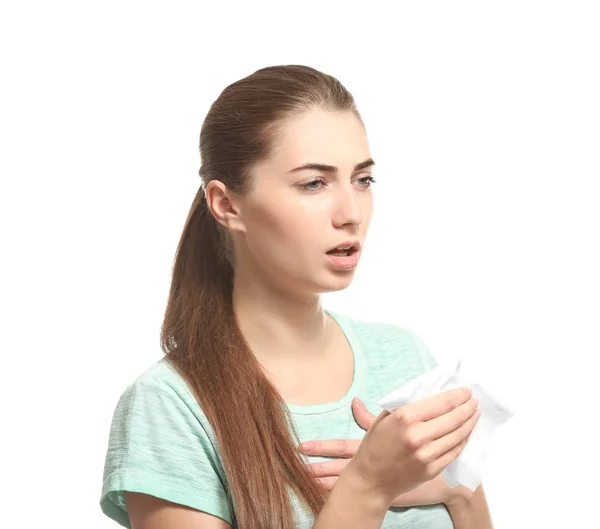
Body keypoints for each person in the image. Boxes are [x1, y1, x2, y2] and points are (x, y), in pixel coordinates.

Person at [99, 64, 491, 529]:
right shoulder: (170, 406)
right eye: (313, 183)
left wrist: (460, 493)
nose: (351, 214)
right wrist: (368, 485)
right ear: (226, 204)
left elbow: (467, 508)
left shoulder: (405, 358)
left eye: (362, 180)